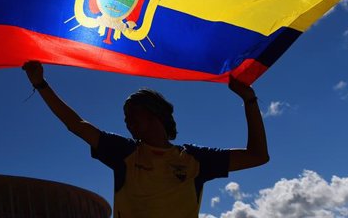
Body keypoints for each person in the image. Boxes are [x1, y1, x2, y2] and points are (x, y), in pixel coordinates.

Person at [22, 61, 269, 218]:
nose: (127, 122)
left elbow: (258, 156)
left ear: (155, 114)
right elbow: (76, 125)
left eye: (132, 115)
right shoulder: (124, 152)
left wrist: (249, 100)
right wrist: (41, 84)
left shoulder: (196, 159)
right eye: (125, 117)